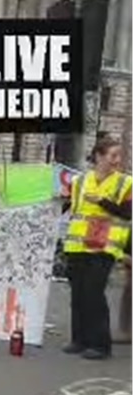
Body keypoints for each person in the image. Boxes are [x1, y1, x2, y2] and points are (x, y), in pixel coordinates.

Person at [62, 137, 132, 360]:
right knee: (79, 293)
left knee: (94, 292)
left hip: (105, 246)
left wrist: (102, 201)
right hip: (77, 244)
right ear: (99, 156)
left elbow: (128, 213)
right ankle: (79, 340)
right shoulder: (80, 181)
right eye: (112, 156)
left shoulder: (126, 183)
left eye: (118, 156)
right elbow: (69, 207)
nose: (116, 160)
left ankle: (100, 344)